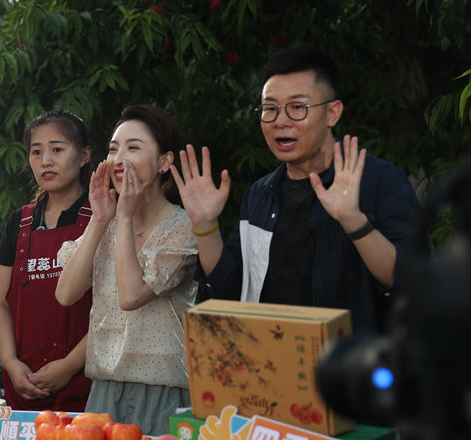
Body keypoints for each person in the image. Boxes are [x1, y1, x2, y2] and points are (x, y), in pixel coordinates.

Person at [172, 45, 420, 333]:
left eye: (297, 107)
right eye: (270, 109)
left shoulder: (378, 180)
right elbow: (230, 291)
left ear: (332, 113)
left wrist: (354, 221)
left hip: (350, 370)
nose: (280, 121)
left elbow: (412, 278)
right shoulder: (260, 194)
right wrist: (205, 225)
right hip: (271, 368)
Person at [56, 105, 198, 435]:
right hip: (104, 387)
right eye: (113, 149)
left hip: (163, 390)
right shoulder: (107, 221)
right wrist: (100, 220)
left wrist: (122, 217)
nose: (119, 159)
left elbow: (131, 296)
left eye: (133, 147)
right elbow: (65, 294)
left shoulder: (183, 226)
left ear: (165, 161)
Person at [0, 110, 93, 411]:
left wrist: (69, 365)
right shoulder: (19, 223)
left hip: (83, 383)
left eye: (57, 149)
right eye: (37, 152)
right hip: (24, 383)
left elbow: (112, 313)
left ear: (84, 155)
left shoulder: (102, 218)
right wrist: (10, 362)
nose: (46, 160)